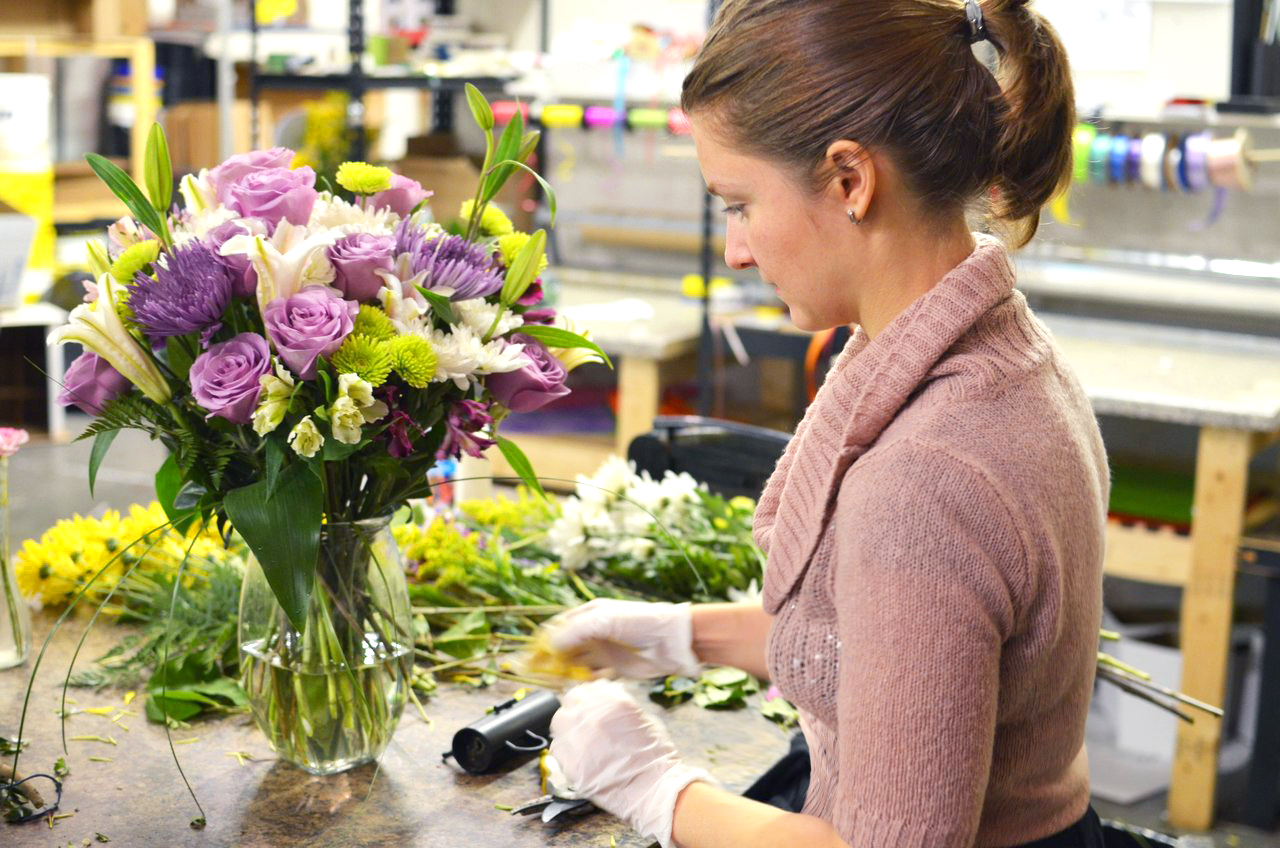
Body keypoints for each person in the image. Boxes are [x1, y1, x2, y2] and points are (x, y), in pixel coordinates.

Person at [544, 1, 1110, 846]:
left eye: (737, 204)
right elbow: (902, 655)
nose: (735, 249)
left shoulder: (926, 474)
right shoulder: (1008, 357)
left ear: (851, 180)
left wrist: (657, 790)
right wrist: (682, 637)